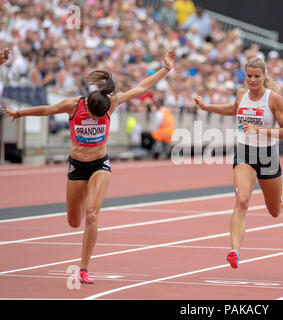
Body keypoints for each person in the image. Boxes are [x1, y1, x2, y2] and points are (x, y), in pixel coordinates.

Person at [1, 49, 176, 283]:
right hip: (77, 165)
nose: (96, 118)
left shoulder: (112, 102)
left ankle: (83, 268)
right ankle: (84, 198)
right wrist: (19, 113)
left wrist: (165, 68)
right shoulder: (73, 105)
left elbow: (141, 88)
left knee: (92, 215)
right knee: (74, 221)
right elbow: (46, 110)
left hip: (99, 164)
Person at [193, 57, 283, 269]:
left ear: (264, 76)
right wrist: (206, 106)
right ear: (245, 76)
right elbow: (233, 109)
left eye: (257, 76)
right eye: (249, 76)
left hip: (268, 156)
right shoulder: (241, 94)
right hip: (244, 154)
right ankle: (234, 251)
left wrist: (259, 130)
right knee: (242, 200)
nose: (253, 80)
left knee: (274, 211)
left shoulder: (273, 99)